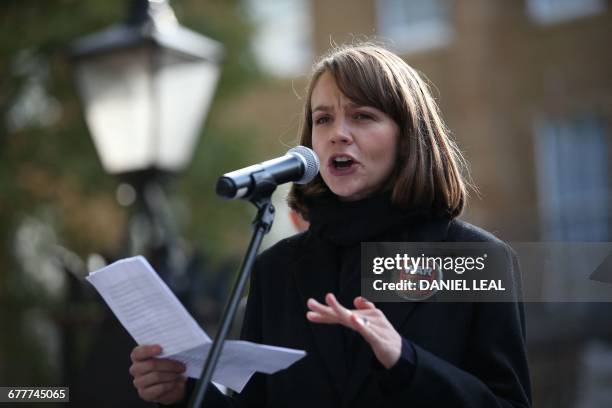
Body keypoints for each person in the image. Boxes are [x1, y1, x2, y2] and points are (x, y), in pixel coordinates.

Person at [128, 43, 532, 407]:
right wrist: (184, 392)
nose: (338, 134)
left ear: (408, 137)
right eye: (323, 119)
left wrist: (405, 361)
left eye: (362, 116)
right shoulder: (277, 269)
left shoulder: (474, 259)